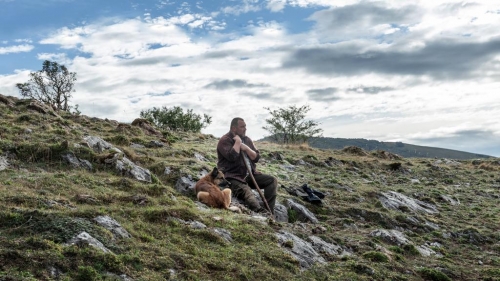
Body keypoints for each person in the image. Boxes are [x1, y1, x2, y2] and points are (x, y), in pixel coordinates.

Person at [217, 117, 277, 214]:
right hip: (232, 177)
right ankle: (261, 213)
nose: (245, 129)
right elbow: (232, 157)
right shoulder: (225, 140)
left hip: (249, 175)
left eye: (245, 126)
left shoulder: (247, 140)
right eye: (242, 127)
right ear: (233, 129)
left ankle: (269, 211)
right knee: (247, 191)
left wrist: (246, 148)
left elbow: (256, 158)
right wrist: (237, 142)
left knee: (271, 180)